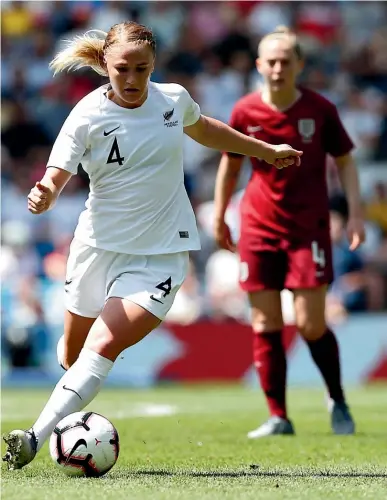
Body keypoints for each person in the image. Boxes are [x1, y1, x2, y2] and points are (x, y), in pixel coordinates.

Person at [2, 21, 302, 470]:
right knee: (72, 353)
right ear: (105, 64)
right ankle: (72, 418)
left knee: (102, 345)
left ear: (153, 65)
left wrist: (263, 150)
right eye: (122, 68)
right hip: (96, 248)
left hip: (160, 255)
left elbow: (208, 130)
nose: (131, 78)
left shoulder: (173, 99)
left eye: (141, 69)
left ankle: (33, 437)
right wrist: (44, 192)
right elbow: (56, 174)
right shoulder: (86, 115)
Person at [213, 26, 365, 438]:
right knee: (264, 322)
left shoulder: (320, 110)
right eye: (271, 61)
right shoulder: (245, 111)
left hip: (307, 228)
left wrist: (354, 213)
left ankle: (336, 397)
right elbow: (230, 163)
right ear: (259, 65)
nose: (278, 68)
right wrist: (221, 212)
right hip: (258, 226)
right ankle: (278, 416)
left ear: (299, 65)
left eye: (286, 61)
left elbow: (346, 161)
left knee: (310, 323)